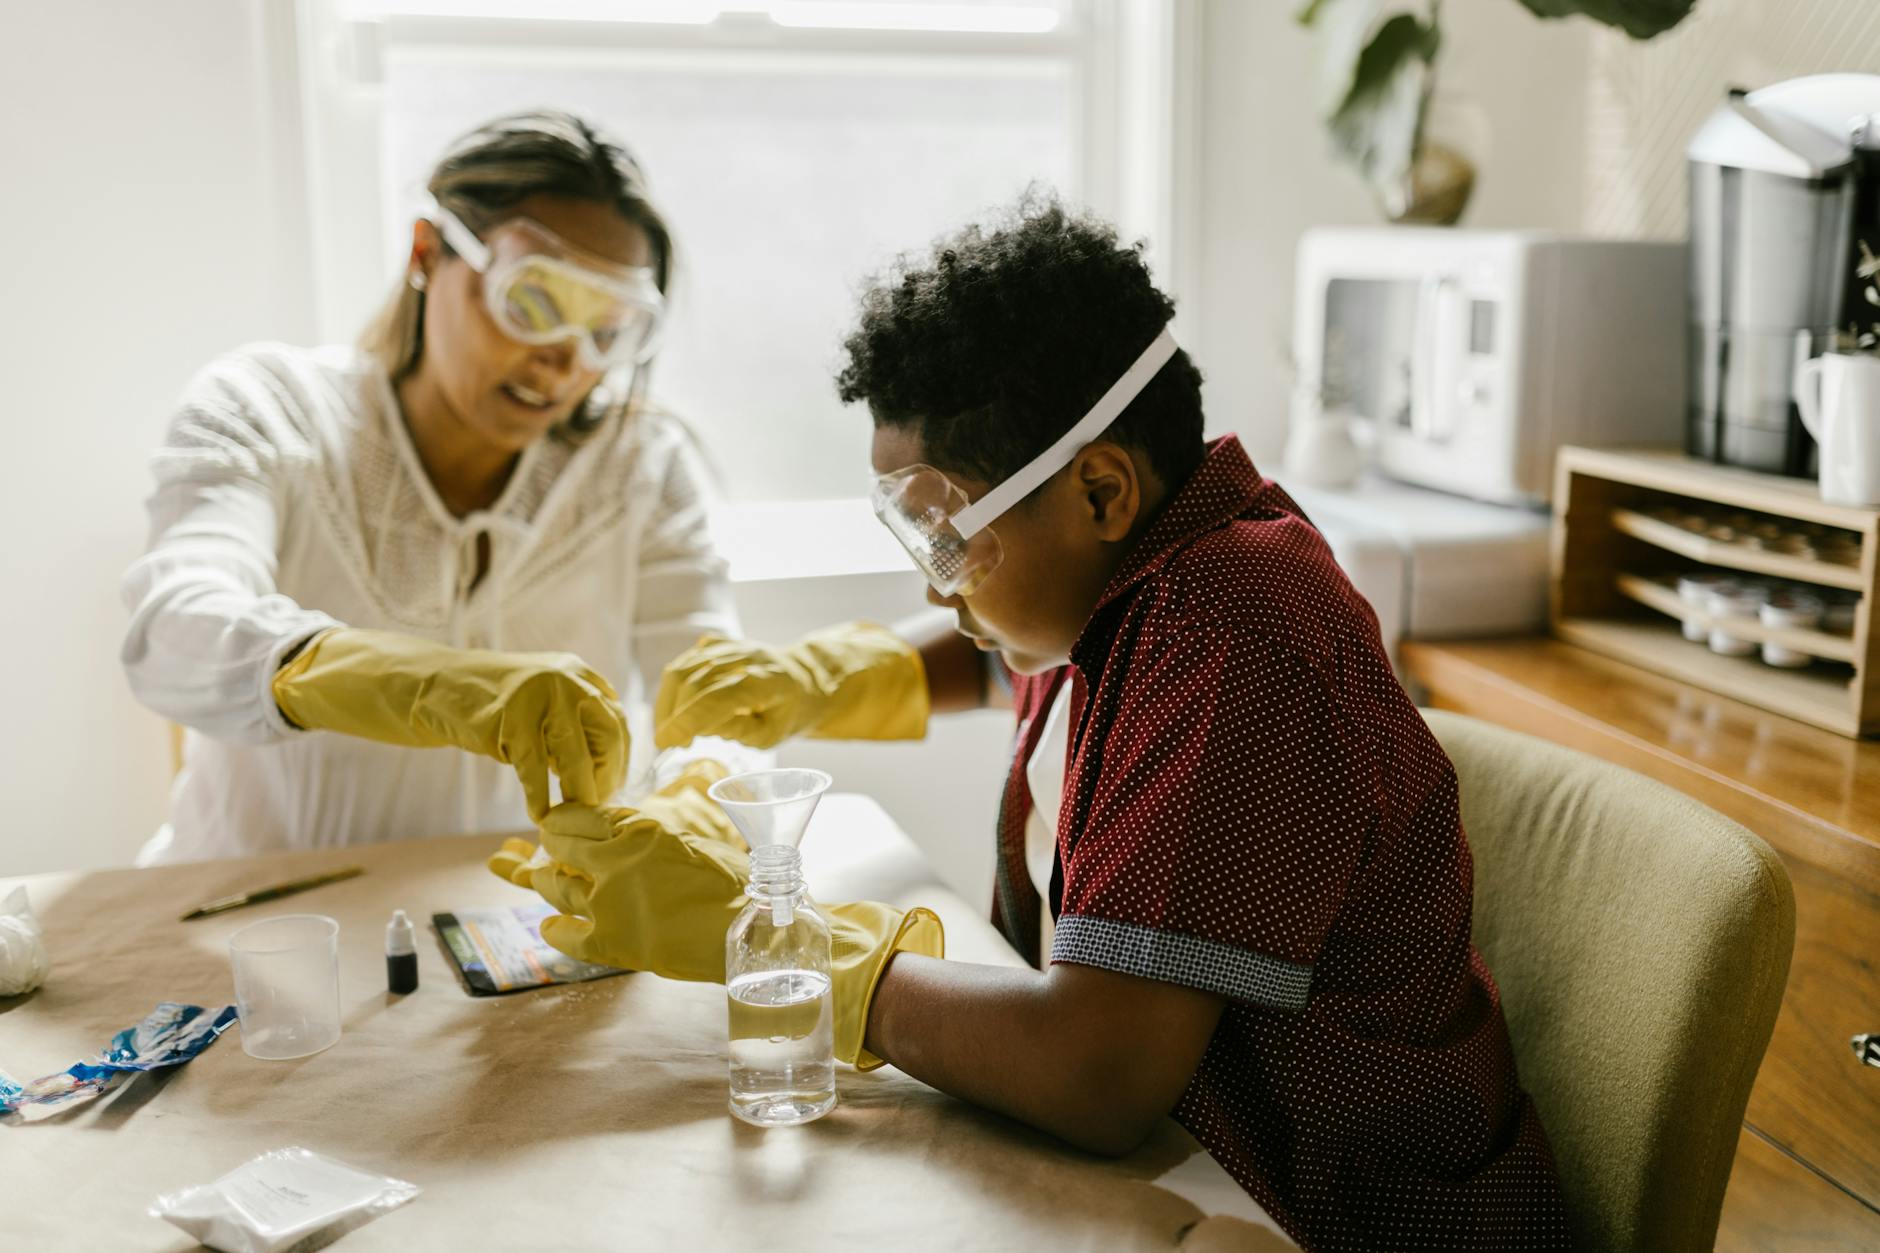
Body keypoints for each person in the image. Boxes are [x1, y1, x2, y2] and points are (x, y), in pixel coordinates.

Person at [495, 195, 1569, 1250]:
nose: (938, 587)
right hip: (1200, 1166)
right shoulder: (1148, 575)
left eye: (942, 529)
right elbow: (1017, 658)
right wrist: (821, 673)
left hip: (1333, 1212)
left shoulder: (1230, 628)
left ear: (1098, 490)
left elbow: (1093, 1072)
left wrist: (782, 953)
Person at [121, 110, 740, 864]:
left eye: (606, 332)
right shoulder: (266, 407)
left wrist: (699, 798)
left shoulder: (639, 464)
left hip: (514, 932)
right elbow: (173, 631)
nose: (562, 361)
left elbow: (712, 698)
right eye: (534, 301)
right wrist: (427, 684)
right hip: (249, 919)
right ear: (427, 251)